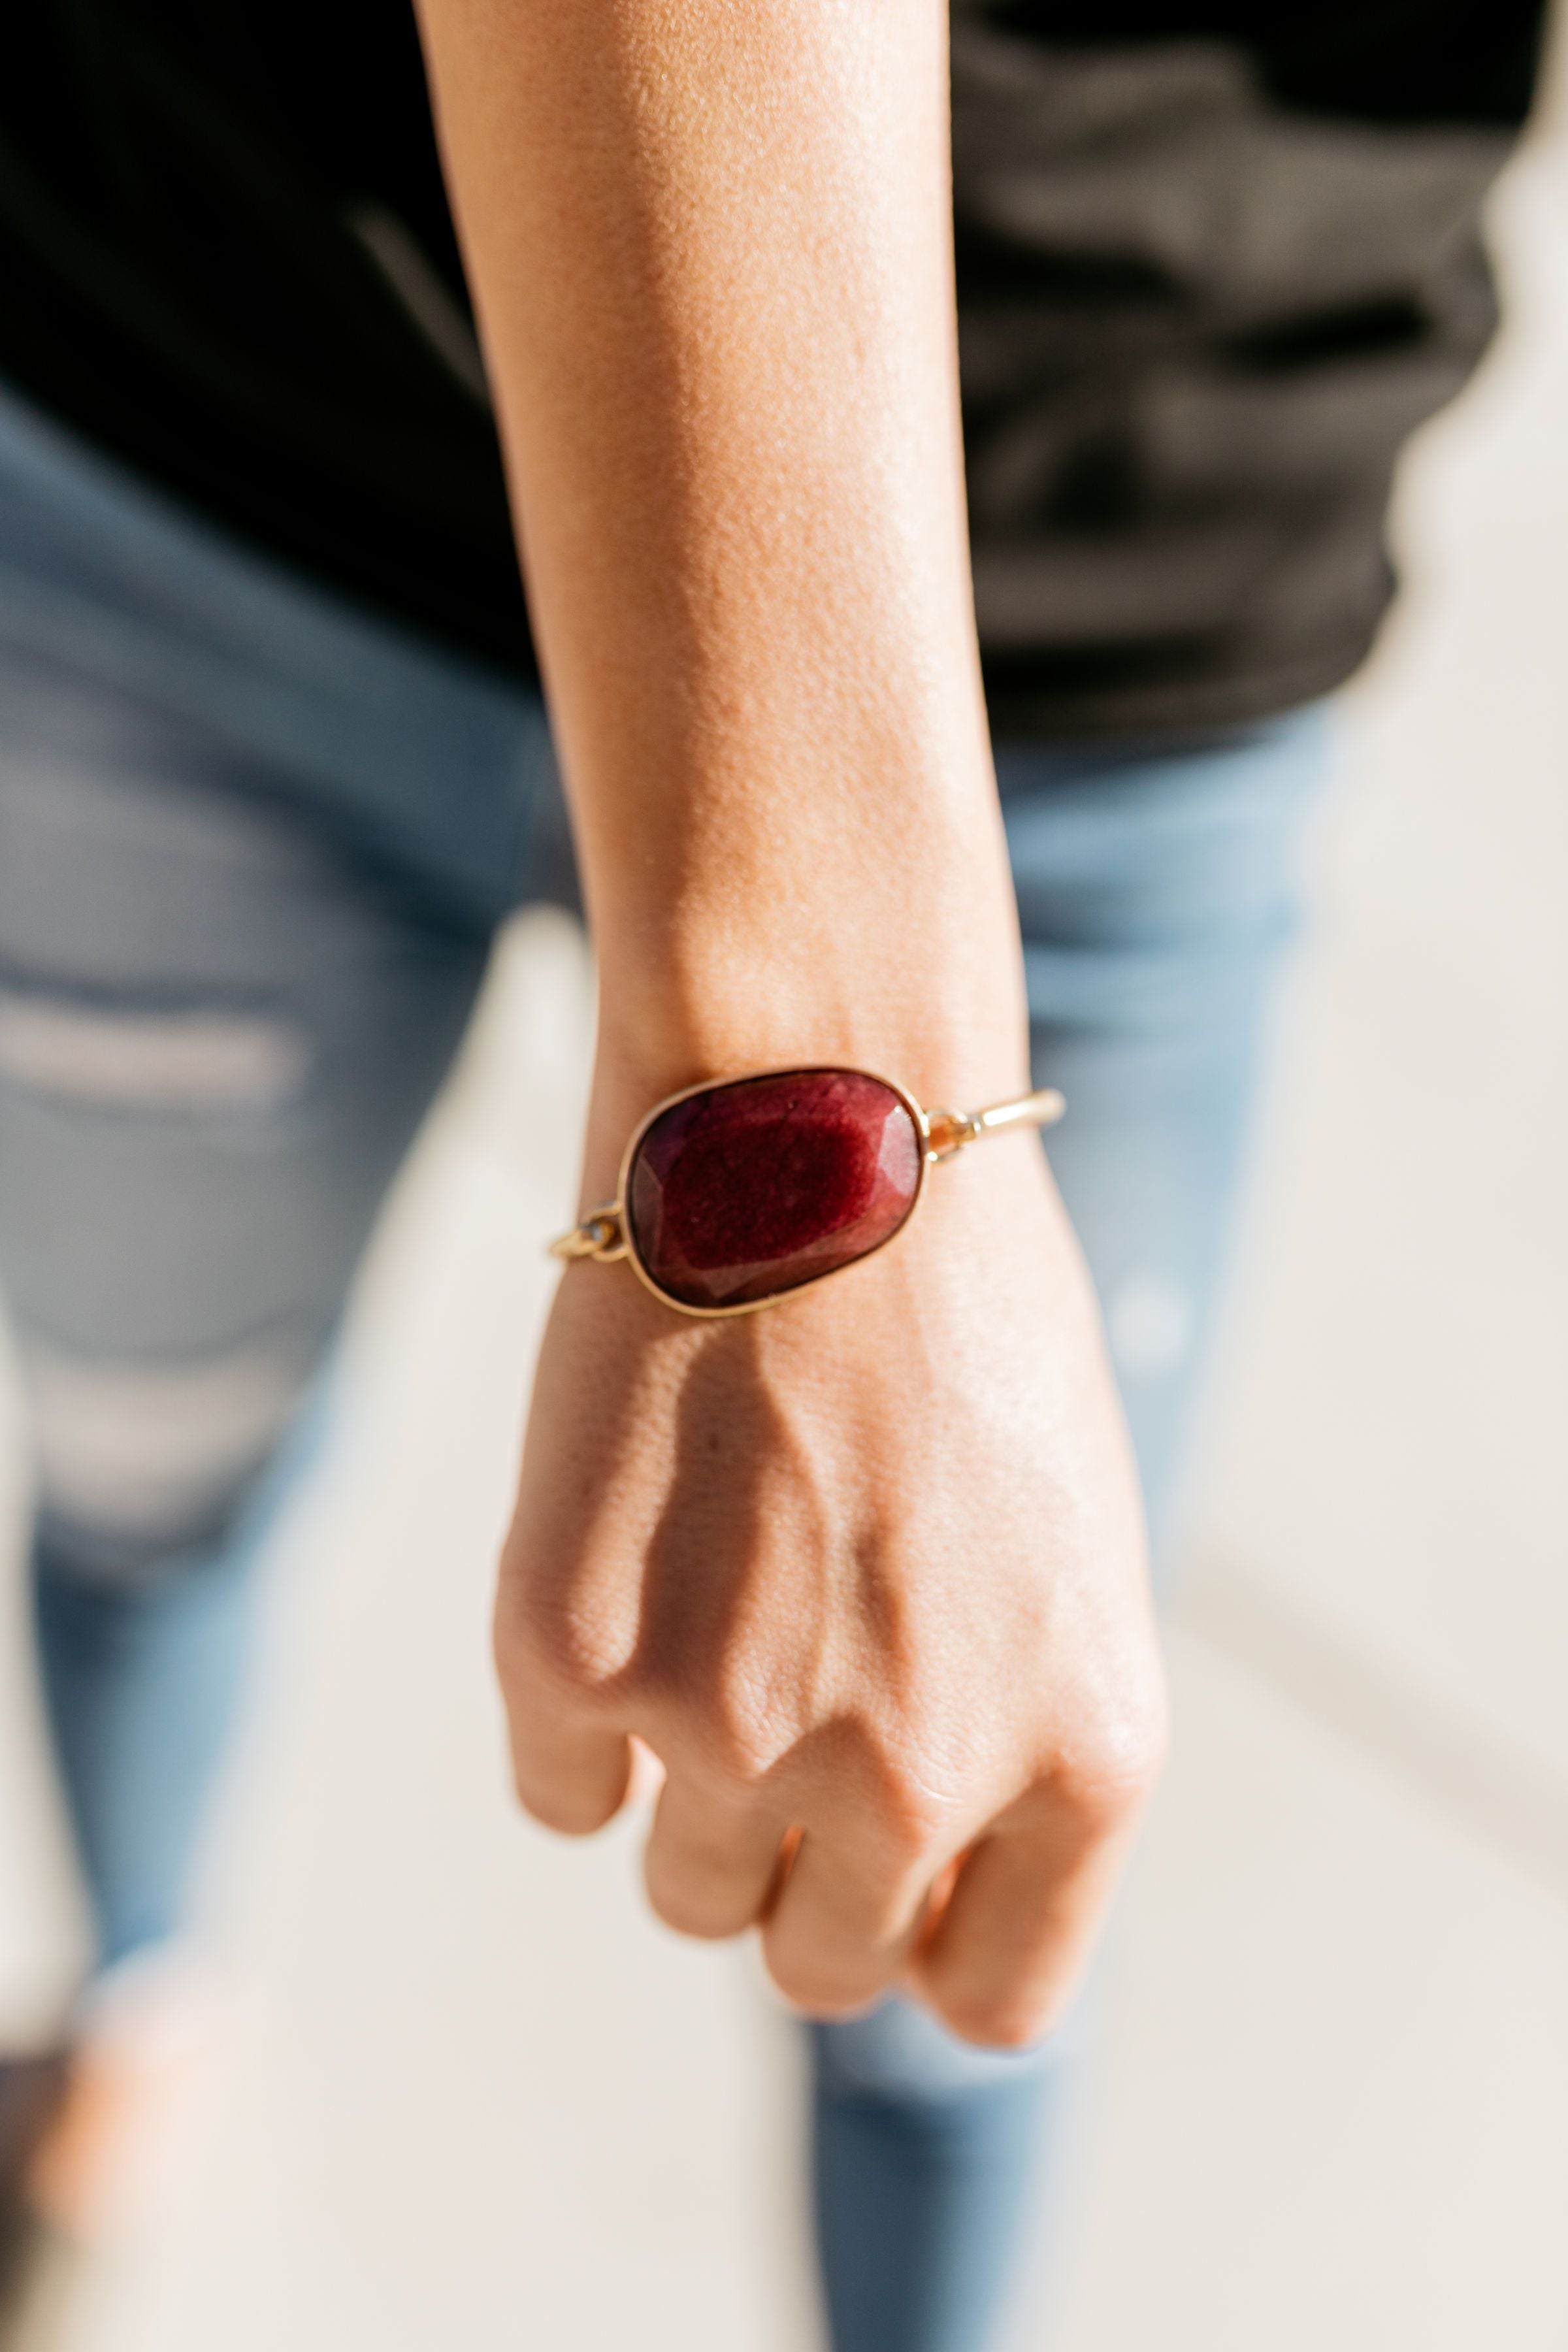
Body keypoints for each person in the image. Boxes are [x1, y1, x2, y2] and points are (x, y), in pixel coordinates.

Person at [0, 1, 1546, 2345]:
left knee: (960, 1828)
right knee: (147, 1458)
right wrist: (829, 1064)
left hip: (1132, 572)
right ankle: (129, 1998)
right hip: (206, 410)